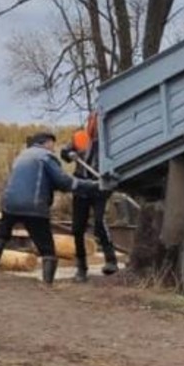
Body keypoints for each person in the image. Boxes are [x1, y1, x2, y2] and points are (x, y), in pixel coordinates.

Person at [0, 131, 98, 285]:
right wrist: (93, 186)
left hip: (10, 202)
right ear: (46, 143)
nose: (54, 148)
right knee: (46, 246)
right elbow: (64, 182)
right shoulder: (46, 157)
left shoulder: (22, 156)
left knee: (2, 232)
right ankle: (47, 283)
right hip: (34, 205)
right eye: (53, 144)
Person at [61, 113, 118, 282]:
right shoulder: (79, 136)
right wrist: (69, 153)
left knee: (100, 222)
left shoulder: (111, 139)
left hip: (100, 186)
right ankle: (81, 268)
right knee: (77, 228)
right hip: (81, 185)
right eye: (93, 122)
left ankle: (111, 260)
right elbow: (65, 152)